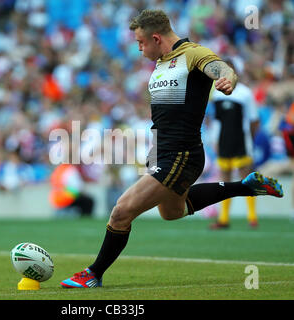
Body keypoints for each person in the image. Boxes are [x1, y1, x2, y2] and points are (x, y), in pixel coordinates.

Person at [60, 9, 283, 288]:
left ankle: (93, 273)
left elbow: (221, 67)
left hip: (182, 154)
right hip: (162, 152)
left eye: (141, 43)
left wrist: (227, 78)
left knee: (121, 211)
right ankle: (246, 187)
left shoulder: (192, 54)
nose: (139, 49)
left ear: (155, 38)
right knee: (172, 212)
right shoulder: (162, 64)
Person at [209, 60, 260, 229]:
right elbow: (217, 121)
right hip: (224, 141)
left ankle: (252, 217)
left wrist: (249, 139)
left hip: (241, 141)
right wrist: (215, 140)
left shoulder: (245, 93)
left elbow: (254, 121)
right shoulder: (217, 94)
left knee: (246, 178)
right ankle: (223, 219)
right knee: (225, 181)